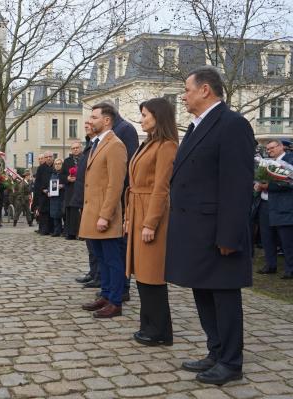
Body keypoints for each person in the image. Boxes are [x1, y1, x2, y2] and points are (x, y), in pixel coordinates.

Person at [165, 66, 255, 385]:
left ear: (205, 90)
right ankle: (215, 351)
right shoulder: (196, 126)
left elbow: (237, 184)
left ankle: (231, 362)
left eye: (187, 90)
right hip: (195, 231)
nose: (183, 96)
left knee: (224, 295)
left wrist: (229, 234)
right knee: (202, 291)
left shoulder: (232, 125)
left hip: (218, 230)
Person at [124, 98, 178, 347]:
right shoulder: (149, 143)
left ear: (158, 116)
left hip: (150, 212)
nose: (142, 119)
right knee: (142, 273)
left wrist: (150, 222)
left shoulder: (166, 145)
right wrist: (128, 217)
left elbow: (161, 187)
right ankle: (150, 325)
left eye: (145, 115)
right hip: (137, 209)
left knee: (152, 273)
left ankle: (159, 330)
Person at [79, 103, 127, 318]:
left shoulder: (115, 144)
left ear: (107, 120)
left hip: (104, 215)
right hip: (93, 213)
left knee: (112, 260)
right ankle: (106, 295)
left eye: (94, 117)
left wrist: (105, 215)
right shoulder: (97, 143)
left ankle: (115, 301)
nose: (90, 120)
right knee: (101, 258)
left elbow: (115, 185)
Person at [254, 139, 293, 278]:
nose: (269, 151)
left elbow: (290, 182)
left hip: (283, 205)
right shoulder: (265, 162)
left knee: (286, 239)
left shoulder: (290, 160)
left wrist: (268, 186)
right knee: (267, 237)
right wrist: (258, 184)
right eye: (268, 149)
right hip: (265, 204)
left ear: (281, 147)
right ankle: (270, 265)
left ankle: (290, 269)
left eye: (272, 148)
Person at [73, 121, 101, 289]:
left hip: (92, 198)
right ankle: (93, 272)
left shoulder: (98, 145)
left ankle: (98, 275)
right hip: (84, 198)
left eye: (91, 122)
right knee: (90, 241)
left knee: (94, 241)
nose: (87, 124)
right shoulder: (90, 145)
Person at [61, 141, 82, 240]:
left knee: (81, 213)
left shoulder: (85, 158)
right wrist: (67, 179)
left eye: (77, 147)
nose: (75, 149)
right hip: (70, 190)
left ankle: (81, 233)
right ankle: (71, 233)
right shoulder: (67, 161)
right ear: (71, 150)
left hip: (82, 190)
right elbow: (61, 176)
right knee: (70, 213)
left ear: (80, 148)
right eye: (73, 148)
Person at [34, 152, 54, 235]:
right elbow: (37, 182)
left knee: (52, 212)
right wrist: (43, 190)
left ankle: (52, 229)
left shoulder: (55, 166)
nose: (48, 158)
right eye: (46, 157)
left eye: (50, 156)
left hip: (54, 194)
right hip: (43, 194)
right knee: (43, 212)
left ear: (52, 157)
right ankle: (43, 229)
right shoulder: (40, 168)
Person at [49, 158, 64, 237]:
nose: (57, 165)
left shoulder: (64, 173)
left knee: (63, 214)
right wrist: (49, 191)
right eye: (56, 164)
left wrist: (62, 186)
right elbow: (50, 185)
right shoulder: (53, 174)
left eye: (59, 163)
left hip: (62, 197)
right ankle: (57, 231)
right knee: (55, 215)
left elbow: (68, 184)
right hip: (54, 198)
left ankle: (65, 231)